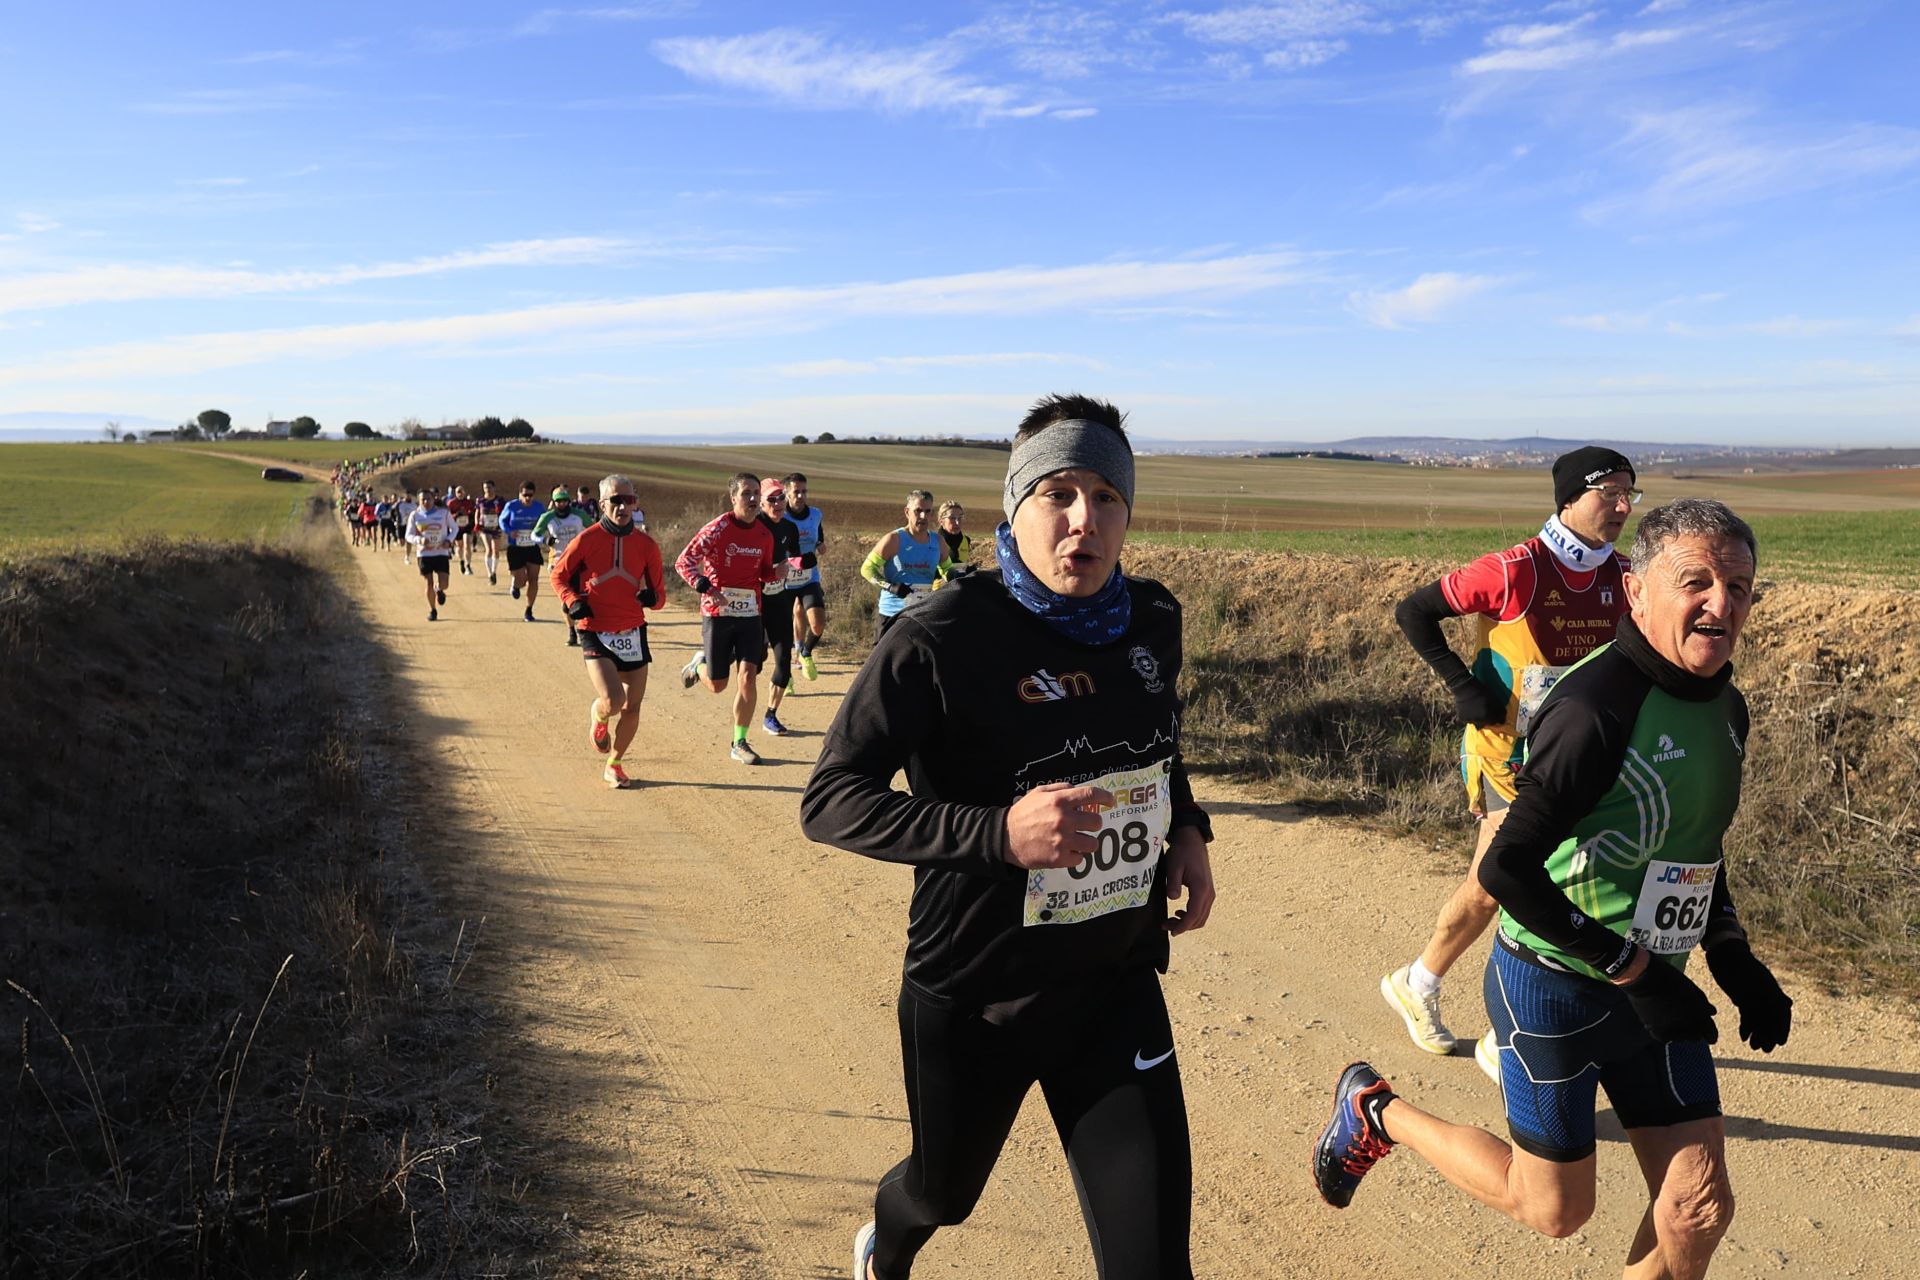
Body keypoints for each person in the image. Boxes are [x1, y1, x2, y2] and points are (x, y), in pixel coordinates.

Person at [1316, 498, 1792, 1280]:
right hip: (1556, 985)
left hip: (1653, 985)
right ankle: (1378, 1112)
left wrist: (1732, 951)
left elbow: (1694, 843)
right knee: (1556, 1210)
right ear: (1636, 591)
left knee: (1697, 1208)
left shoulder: (1725, 705)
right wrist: (1635, 972)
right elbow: (1506, 868)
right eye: (1696, 582)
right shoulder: (1595, 707)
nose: (1722, 604)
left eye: (1740, 587)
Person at [802, 394, 1216, 1280]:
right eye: (1059, 493)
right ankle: (890, 1237)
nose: (1084, 521)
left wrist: (1188, 826)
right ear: (1015, 506)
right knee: (943, 1194)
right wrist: (997, 834)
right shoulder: (940, 636)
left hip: (1114, 980)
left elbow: (1156, 742)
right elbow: (832, 798)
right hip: (977, 995)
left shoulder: (1152, 619)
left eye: (1108, 497)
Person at [1381, 447, 1639, 1070]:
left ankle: (1419, 982)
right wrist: (1462, 685)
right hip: (1507, 754)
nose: (1624, 506)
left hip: (1580, 753)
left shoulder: (1627, 575)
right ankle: (1508, 1023)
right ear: (1570, 498)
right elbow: (1414, 610)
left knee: (1521, 879)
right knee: (1511, 877)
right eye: (1610, 492)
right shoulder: (1516, 568)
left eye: (1632, 492)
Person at [550, 475, 666, 789]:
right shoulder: (587, 539)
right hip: (594, 629)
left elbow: (660, 597)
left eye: (628, 500)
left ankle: (614, 763)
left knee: (633, 706)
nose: (622, 506)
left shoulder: (646, 545)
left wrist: (651, 598)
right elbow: (559, 576)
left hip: (632, 631)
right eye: (615, 500)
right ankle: (599, 716)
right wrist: (573, 601)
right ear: (602, 505)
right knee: (614, 700)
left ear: (636, 503)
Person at [674, 473, 783, 764]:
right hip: (717, 613)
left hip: (750, 614)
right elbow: (683, 562)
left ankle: (740, 742)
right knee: (718, 684)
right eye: (745, 493)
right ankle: (699, 668)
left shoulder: (764, 534)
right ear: (733, 498)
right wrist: (706, 587)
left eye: (756, 493)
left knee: (747, 677)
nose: (752, 499)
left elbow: (764, 573)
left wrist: (776, 573)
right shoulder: (718, 528)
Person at [861, 489, 950, 640]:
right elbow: (867, 569)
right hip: (892, 613)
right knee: (884, 663)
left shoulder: (938, 542)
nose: (922, 516)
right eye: (918, 511)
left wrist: (958, 575)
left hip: (922, 614)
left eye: (927, 511)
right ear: (907, 512)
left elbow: (947, 569)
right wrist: (890, 586)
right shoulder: (893, 539)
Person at [756, 478, 807, 736]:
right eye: (772, 499)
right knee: (755, 660)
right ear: (761, 502)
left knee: (784, 660)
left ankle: (771, 715)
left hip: (780, 599)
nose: (778, 504)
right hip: (753, 601)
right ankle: (706, 658)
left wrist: (801, 562)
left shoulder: (789, 527)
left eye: (780, 498)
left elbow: (794, 556)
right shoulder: (753, 527)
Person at [784, 472, 826, 680]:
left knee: (818, 624)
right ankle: (784, 677)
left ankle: (805, 652)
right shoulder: (780, 516)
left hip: (809, 576)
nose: (800, 496)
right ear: (786, 493)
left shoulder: (816, 514)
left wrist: (820, 545)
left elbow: (819, 535)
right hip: (784, 579)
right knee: (790, 617)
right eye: (796, 492)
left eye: (804, 491)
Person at [534, 487, 589, 646]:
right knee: (567, 603)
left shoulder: (579, 515)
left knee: (582, 598)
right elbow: (534, 534)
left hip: (579, 563)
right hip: (557, 563)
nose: (562, 504)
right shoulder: (547, 517)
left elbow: (594, 529)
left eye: (565, 500)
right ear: (554, 502)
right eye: (558, 501)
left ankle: (584, 630)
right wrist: (544, 540)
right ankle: (573, 632)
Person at [404, 487, 458, 621]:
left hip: (441, 552)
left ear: (434, 499)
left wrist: (448, 540)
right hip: (424, 554)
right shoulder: (415, 515)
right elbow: (408, 535)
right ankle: (433, 610)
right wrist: (419, 540)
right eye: (423, 499)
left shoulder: (444, 513)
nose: (426, 501)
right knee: (428, 582)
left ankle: (439, 589)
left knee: (445, 583)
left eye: (429, 498)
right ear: (419, 500)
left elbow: (455, 528)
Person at [500, 481, 548, 622]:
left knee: (534, 579)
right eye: (525, 495)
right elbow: (502, 521)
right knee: (521, 580)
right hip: (516, 548)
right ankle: (516, 585)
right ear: (519, 494)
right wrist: (509, 531)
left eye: (530, 495)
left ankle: (529, 609)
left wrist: (540, 532)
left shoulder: (538, 507)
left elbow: (545, 522)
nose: (528, 498)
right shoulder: (512, 506)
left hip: (532, 547)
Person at [475, 481, 506, 584]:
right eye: (485, 488)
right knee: (488, 549)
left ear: (494, 488)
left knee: (495, 551)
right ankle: (489, 574)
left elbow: (505, 513)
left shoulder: (500, 500)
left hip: (496, 527)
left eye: (489, 487)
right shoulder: (480, 500)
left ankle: (494, 571)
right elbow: (477, 512)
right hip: (484, 528)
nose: (487, 489)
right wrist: (476, 524)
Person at [446, 485, 478, 575]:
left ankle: (468, 565)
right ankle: (461, 561)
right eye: (458, 492)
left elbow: (474, 512)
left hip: (467, 526)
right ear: (455, 493)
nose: (460, 494)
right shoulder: (451, 503)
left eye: (461, 491)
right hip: (457, 527)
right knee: (459, 546)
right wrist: (456, 514)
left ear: (464, 492)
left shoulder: (470, 502)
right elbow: (448, 516)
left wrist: (470, 515)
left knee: (467, 544)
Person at [935, 500, 973, 568]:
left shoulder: (966, 541)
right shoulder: (933, 541)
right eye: (952, 518)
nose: (957, 522)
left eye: (960, 518)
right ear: (941, 521)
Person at [393, 490, 419, 563]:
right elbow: (393, 511)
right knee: (402, 543)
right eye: (407, 495)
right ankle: (400, 541)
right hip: (401, 524)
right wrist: (395, 520)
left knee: (409, 541)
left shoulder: (414, 505)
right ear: (404, 495)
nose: (408, 496)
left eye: (409, 495)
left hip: (410, 525)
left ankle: (407, 557)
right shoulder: (400, 504)